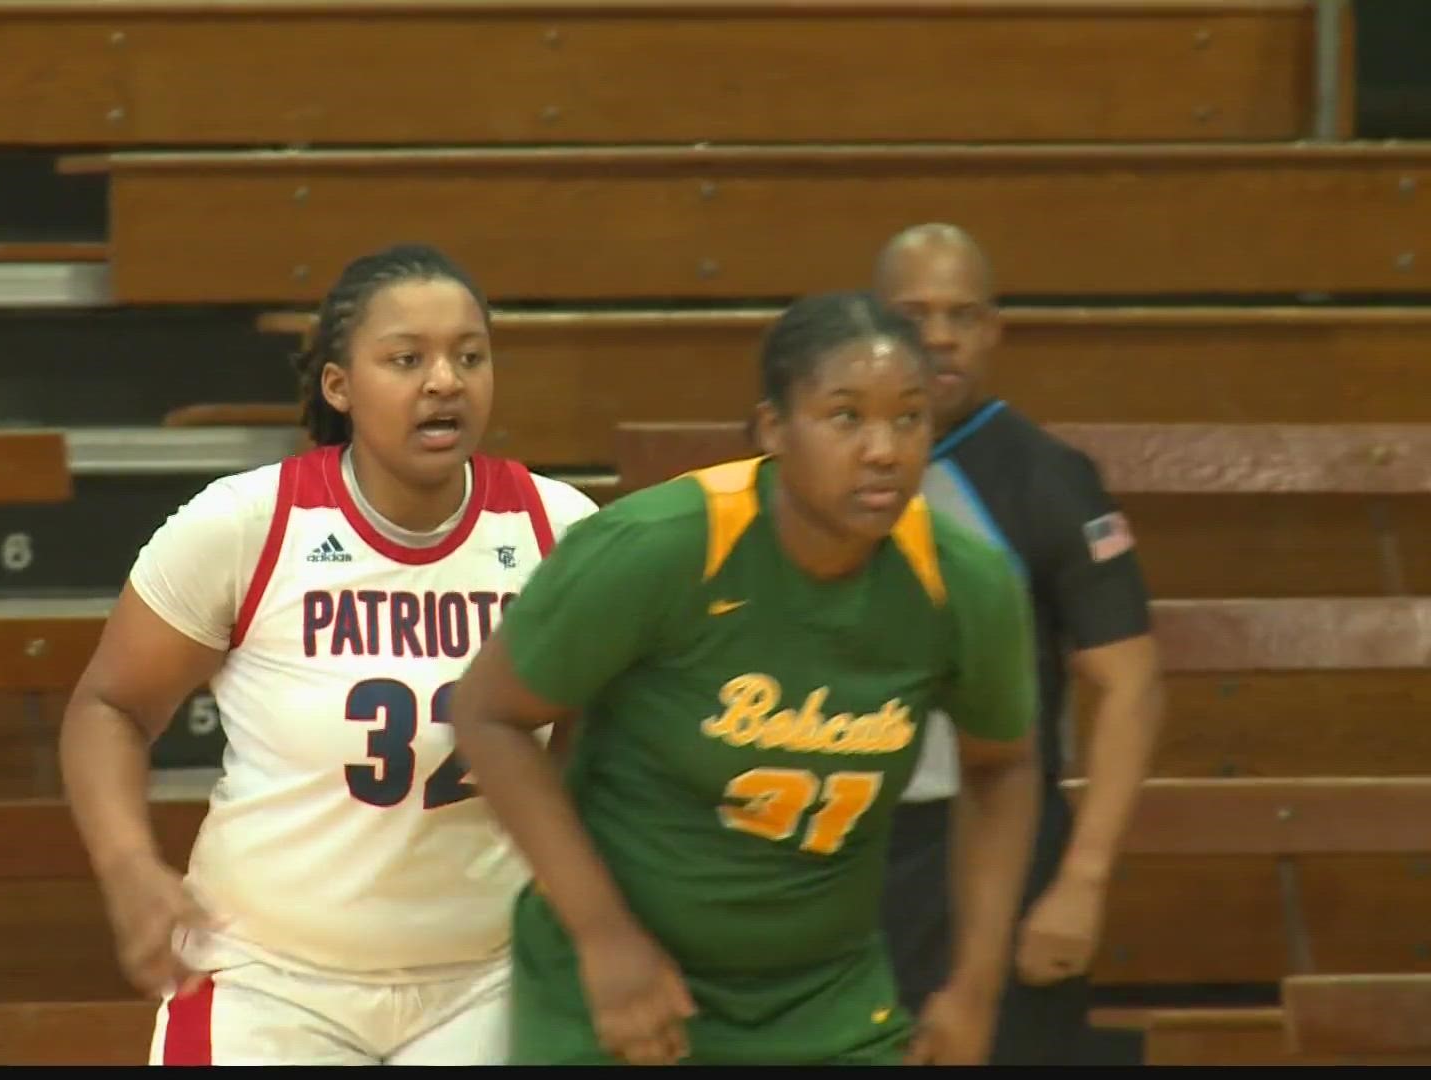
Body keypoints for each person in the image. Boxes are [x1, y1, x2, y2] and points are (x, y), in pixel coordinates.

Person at [448, 290, 1044, 1066]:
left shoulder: (964, 584)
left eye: (909, 418)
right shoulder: (660, 547)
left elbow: (1003, 767)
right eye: (845, 417)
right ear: (773, 430)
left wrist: (973, 988)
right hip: (628, 980)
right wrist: (604, 937)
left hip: (824, 998)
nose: (884, 450)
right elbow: (488, 715)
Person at [58, 243, 598, 1065]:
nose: (444, 380)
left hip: (487, 977)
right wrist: (128, 868)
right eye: (407, 358)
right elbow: (110, 707)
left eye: (469, 356)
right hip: (268, 977)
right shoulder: (245, 524)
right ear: (339, 387)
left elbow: (598, 724)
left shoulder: (557, 532)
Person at [873, 223, 1167, 1065]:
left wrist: (1081, 882)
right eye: (912, 314)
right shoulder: (814, 470)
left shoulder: (1044, 477)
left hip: (996, 844)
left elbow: (1130, 686)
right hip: (846, 845)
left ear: (993, 330)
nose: (938, 337)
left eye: (962, 315)